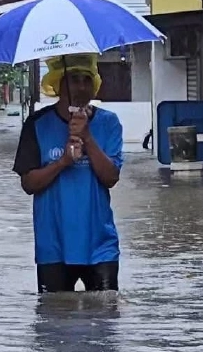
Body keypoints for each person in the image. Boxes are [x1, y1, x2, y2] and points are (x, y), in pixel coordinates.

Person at [12, 54, 124, 293]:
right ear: (59, 84)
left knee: (105, 319)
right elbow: (29, 183)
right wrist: (62, 162)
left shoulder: (109, 123)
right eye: (74, 79)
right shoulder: (37, 124)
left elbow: (111, 178)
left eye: (87, 79)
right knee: (54, 321)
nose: (81, 87)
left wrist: (87, 137)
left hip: (100, 244)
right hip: (53, 247)